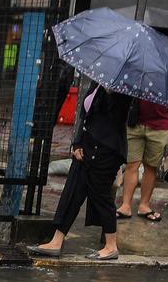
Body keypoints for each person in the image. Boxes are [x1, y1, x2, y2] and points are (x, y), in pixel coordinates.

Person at [28, 85, 133, 260]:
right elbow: (85, 114)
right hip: (86, 147)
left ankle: (111, 245)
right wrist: (77, 143)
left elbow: (116, 118)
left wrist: (111, 92)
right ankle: (56, 240)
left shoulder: (123, 89)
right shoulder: (96, 82)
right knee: (72, 191)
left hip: (106, 150)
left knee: (101, 195)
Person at [116, 96, 168, 222]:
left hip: (161, 126)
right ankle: (125, 205)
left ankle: (144, 205)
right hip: (135, 121)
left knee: (151, 167)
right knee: (131, 165)